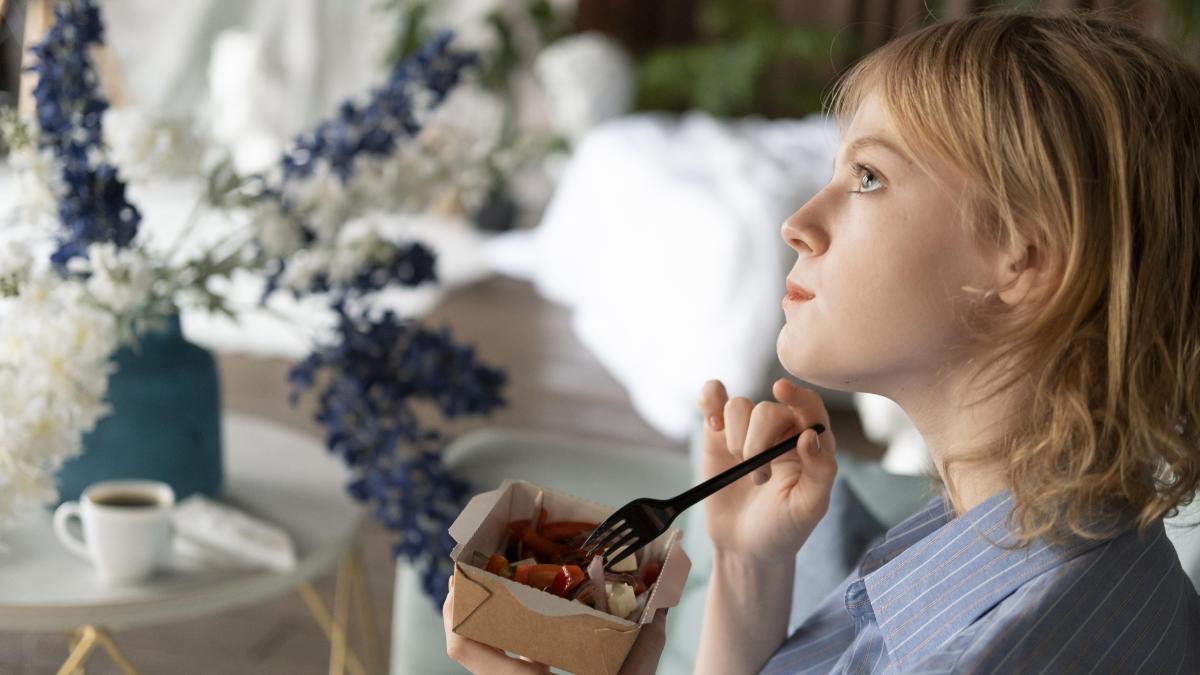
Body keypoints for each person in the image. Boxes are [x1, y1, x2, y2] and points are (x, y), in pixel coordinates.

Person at [442, 10, 1200, 673]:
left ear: (1026, 259)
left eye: (868, 177)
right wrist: (748, 564)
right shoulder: (1039, 535)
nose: (797, 222)